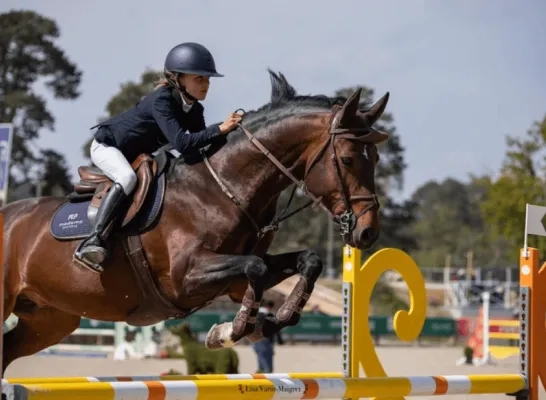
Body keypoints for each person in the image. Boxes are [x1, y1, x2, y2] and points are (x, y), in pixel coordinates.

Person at [74, 42, 242, 272]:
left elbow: (194, 151)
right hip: (108, 147)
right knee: (126, 179)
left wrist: (232, 138)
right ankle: (94, 240)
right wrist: (220, 129)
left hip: (138, 154)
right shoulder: (162, 100)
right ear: (178, 79)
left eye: (208, 80)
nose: (206, 85)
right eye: (199, 79)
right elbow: (182, 143)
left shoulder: (195, 110)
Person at [252, 300, 284, 373]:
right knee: (267, 361)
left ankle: (260, 372)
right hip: (265, 340)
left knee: (260, 358)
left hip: (256, 340)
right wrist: (280, 340)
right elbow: (276, 329)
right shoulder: (269, 315)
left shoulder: (255, 314)